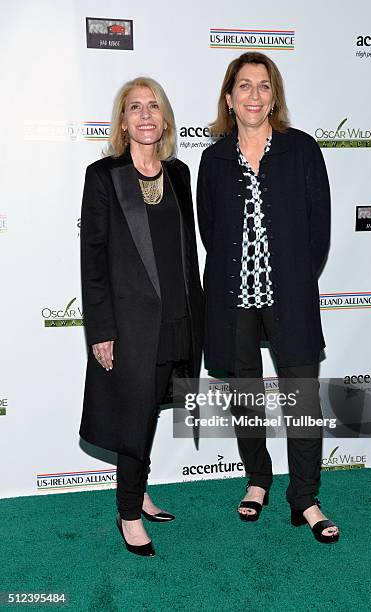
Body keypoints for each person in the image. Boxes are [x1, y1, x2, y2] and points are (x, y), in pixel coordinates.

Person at [197, 52, 339, 543]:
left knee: (301, 401)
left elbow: (318, 231)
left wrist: (296, 280)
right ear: (229, 98)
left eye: (263, 86)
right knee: (246, 399)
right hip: (234, 298)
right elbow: (211, 232)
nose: (253, 95)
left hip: (290, 298)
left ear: (273, 96)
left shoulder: (302, 150)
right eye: (244, 86)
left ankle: (306, 498)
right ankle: (258, 479)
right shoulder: (213, 158)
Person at [80, 77, 204, 556]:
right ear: (123, 120)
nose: (146, 115)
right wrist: (102, 330)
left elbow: (186, 252)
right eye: (135, 108)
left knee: (149, 409)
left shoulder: (179, 174)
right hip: (130, 325)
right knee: (132, 413)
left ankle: (139, 489)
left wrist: (198, 318)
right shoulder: (103, 175)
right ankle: (128, 512)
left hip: (177, 317)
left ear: (166, 117)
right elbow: (93, 257)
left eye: (154, 106)